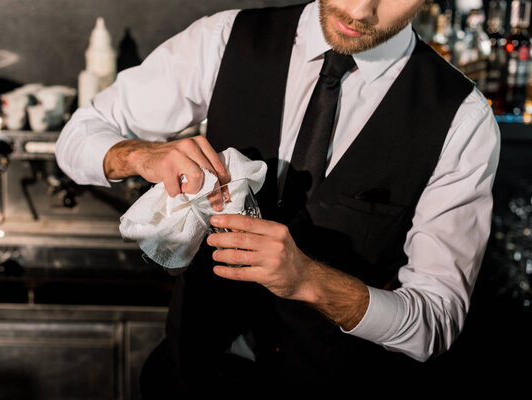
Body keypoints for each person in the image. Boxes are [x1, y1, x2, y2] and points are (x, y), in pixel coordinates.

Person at [56, 0, 500, 396]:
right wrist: (142, 155)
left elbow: (435, 322)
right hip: (187, 375)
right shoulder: (225, 38)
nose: (361, 10)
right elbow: (78, 136)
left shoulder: (462, 119)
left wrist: (310, 280)